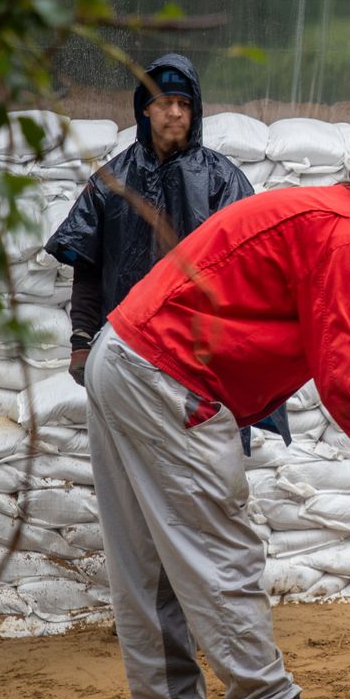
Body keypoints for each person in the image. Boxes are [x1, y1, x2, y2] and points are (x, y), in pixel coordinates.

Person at [82, 147, 350, 699]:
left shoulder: (325, 214)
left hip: (126, 357)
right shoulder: (343, 238)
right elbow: (345, 381)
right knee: (221, 558)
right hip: (166, 374)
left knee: (150, 577)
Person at [45, 52, 287, 449]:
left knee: (203, 471)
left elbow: (249, 277)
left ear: (195, 111)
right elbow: (88, 268)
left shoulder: (223, 182)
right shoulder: (111, 183)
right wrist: (82, 341)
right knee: (137, 465)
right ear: (145, 108)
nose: (175, 112)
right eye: (164, 102)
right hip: (128, 351)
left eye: (184, 103)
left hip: (203, 361)